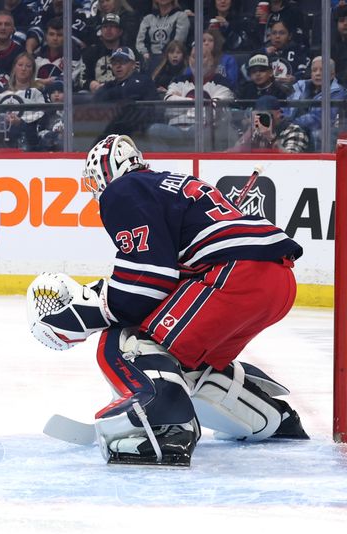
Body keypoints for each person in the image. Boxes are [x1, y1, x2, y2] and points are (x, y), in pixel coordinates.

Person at [26, 134, 309, 466]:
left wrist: (86, 315)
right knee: (187, 366)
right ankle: (271, 419)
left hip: (235, 274)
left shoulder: (123, 191)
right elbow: (164, 275)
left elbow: (147, 282)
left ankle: (162, 430)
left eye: (95, 180)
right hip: (277, 281)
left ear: (107, 171)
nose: (96, 190)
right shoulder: (171, 183)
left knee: (129, 341)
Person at [0, 52, 46, 150]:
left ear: (32, 71)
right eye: (20, 65)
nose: (23, 69)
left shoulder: (38, 92)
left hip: (27, 139)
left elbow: (42, 116)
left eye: (28, 66)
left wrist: (21, 122)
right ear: (14, 68)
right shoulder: (0, 90)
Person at [92, 46, 160, 139]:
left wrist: (111, 94)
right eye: (114, 62)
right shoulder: (111, 85)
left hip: (140, 130)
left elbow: (128, 92)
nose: (118, 66)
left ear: (132, 64)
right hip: (117, 129)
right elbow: (97, 98)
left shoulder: (143, 80)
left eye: (123, 61)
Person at [287, 56, 347, 151]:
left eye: (322, 70)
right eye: (314, 70)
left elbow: (320, 118)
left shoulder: (339, 93)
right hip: (293, 130)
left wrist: (291, 124)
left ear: (332, 74)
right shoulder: (300, 87)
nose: (317, 74)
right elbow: (287, 108)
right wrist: (283, 123)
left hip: (313, 133)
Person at [228, 94, 310, 152]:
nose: (263, 118)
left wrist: (271, 138)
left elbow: (291, 160)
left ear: (278, 113)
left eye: (266, 114)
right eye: (259, 115)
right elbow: (237, 151)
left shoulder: (294, 131)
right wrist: (251, 129)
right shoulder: (257, 131)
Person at [135, 0, 190, 68]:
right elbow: (140, 42)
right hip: (149, 58)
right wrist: (145, 53)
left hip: (170, 59)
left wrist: (164, 55)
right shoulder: (148, 18)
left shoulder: (181, 16)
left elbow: (178, 41)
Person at [33, 17, 84, 90]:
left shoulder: (73, 55)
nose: (55, 38)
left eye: (59, 35)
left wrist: (39, 82)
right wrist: (47, 81)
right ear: (46, 36)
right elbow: (27, 80)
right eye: (51, 34)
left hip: (64, 96)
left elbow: (67, 80)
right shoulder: (37, 55)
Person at [82, 13, 127, 93]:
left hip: (123, 93)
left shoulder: (129, 52)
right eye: (105, 27)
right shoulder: (91, 52)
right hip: (96, 96)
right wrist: (91, 84)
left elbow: (137, 77)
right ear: (101, 31)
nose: (108, 29)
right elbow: (82, 78)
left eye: (112, 26)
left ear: (120, 31)